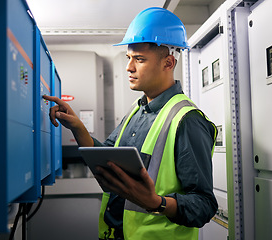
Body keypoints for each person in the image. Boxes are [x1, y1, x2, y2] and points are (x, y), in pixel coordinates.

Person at [43, 7, 218, 240]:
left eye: (139, 59)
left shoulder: (187, 120)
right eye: (128, 58)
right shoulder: (137, 110)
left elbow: (204, 205)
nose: (129, 67)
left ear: (168, 63)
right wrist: (78, 127)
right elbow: (108, 160)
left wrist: (156, 203)